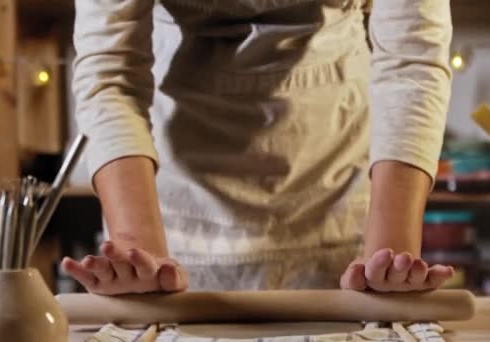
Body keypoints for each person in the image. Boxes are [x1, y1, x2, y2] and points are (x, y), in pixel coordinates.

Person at [62, 0, 455, 294]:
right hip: (173, 211)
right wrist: (137, 251)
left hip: (339, 198)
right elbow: (110, 76)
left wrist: (388, 253)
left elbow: (411, 59)